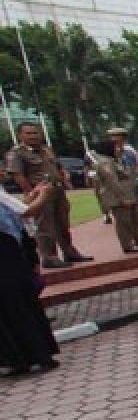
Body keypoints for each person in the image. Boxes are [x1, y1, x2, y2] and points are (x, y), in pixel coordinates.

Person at [7, 122, 92, 269]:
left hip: (58, 190)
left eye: (35, 133)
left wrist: (63, 176)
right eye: (28, 133)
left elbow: (57, 166)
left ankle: (69, 251)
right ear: (20, 135)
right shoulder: (17, 153)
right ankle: (49, 257)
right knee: (45, 225)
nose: (33, 136)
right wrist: (32, 193)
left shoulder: (46, 149)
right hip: (41, 193)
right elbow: (18, 175)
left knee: (63, 223)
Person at [0, 183, 60, 375]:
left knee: (8, 308)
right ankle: (37, 355)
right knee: (20, 303)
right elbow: (26, 211)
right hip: (6, 252)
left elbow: (13, 208)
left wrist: (33, 194)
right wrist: (42, 194)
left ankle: (17, 359)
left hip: (7, 251)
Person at [92, 138, 138, 253]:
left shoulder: (113, 160)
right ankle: (128, 246)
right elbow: (112, 181)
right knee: (123, 222)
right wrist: (122, 198)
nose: (118, 149)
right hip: (118, 198)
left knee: (134, 220)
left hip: (128, 194)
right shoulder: (105, 162)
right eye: (115, 148)